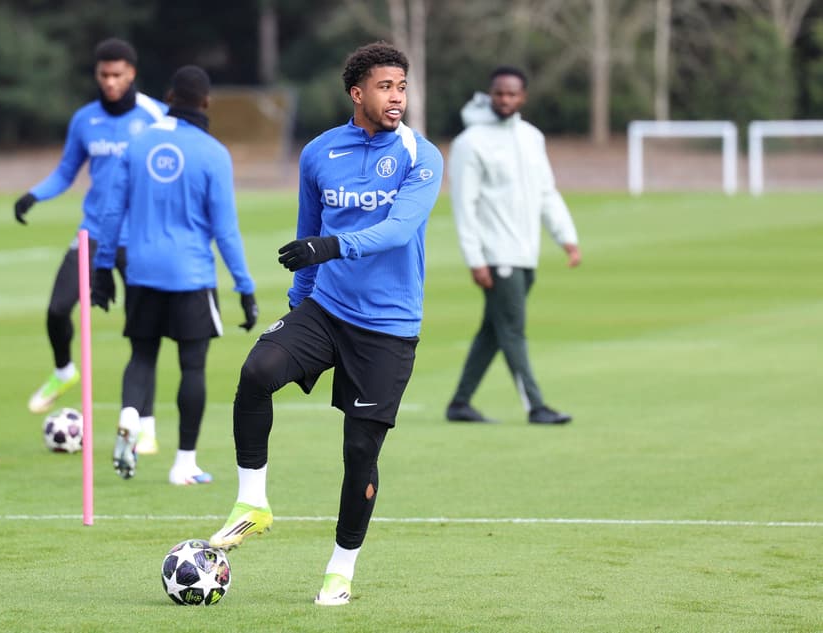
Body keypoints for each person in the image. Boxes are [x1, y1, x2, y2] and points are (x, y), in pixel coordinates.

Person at [207, 42, 443, 607]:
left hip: (388, 325)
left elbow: (396, 230)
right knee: (258, 369)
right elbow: (306, 233)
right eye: (386, 87)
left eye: (403, 87)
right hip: (326, 310)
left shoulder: (421, 155)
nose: (397, 98)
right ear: (357, 93)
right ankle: (252, 504)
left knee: (360, 451)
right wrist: (299, 302)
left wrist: (331, 246)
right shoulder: (318, 153)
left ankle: (340, 569)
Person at [91, 65, 258, 484]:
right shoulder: (213, 153)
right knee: (193, 368)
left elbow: (112, 212)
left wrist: (102, 268)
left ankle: (132, 414)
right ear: (205, 103)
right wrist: (245, 286)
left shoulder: (138, 144)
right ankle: (184, 463)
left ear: (169, 97)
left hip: (143, 272)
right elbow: (225, 230)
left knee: (142, 356)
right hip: (190, 276)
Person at [15, 37, 167, 456]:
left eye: (118, 74)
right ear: (97, 75)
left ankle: (146, 425)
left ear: (132, 73)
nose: (111, 82)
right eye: (104, 75)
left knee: (143, 334)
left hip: (139, 239)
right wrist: (34, 195)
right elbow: (66, 172)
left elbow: (175, 164)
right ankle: (64, 370)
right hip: (93, 233)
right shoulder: (85, 120)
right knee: (55, 309)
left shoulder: (156, 116)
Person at [445, 66, 581, 426]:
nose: (505, 99)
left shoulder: (531, 137)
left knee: (494, 330)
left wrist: (567, 237)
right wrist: (475, 259)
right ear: (490, 94)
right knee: (512, 331)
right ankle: (536, 405)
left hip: (525, 252)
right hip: (495, 255)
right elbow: (464, 205)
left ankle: (460, 403)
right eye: (499, 93)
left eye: (512, 94)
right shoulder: (470, 143)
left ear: (523, 97)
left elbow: (546, 192)